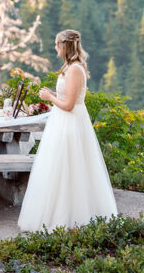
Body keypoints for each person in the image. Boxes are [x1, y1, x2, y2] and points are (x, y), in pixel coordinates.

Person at [18, 30, 118, 231]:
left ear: (64, 46)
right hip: (63, 121)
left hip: (70, 123)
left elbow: (70, 105)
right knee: (59, 167)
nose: (55, 49)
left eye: (57, 45)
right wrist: (54, 94)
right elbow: (68, 96)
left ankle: (70, 217)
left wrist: (49, 98)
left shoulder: (74, 70)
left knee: (69, 168)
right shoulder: (71, 68)